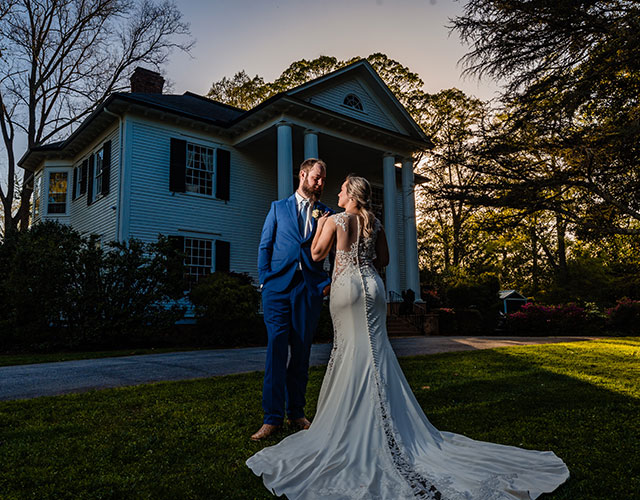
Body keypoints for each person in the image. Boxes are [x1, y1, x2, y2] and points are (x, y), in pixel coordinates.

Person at [247, 174, 570, 499]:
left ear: (351, 195)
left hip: (346, 288)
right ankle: (388, 416)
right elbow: (384, 260)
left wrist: (320, 227)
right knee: (376, 349)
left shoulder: (336, 219)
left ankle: (357, 421)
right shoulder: (376, 222)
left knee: (350, 350)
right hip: (374, 288)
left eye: (342, 190)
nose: (338, 193)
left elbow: (317, 255)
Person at [251, 158, 333, 441]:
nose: (321, 183)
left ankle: (296, 412)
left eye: (323, 179)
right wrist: (265, 281)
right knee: (275, 350)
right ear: (303, 174)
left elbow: (334, 256)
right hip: (277, 290)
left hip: (308, 292)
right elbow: (265, 246)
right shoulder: (278, 208)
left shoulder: (326, 213)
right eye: (317, 177)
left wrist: (327, 283)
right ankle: (271, 418)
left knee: (301, 354)